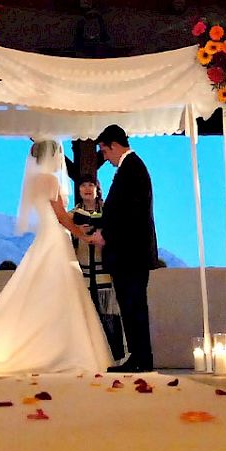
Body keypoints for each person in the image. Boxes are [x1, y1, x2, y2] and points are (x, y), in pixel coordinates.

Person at [0, 140, 110, 374]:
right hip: (55, 238)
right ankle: (64, 348)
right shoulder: (50, 180)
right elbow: (61, 216)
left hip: (43, 237)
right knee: (62, 290)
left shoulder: (34, 181)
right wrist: (84, 235)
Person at [89, 125, 158, 372]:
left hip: (130, 254)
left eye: (105, 152)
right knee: (131, 306)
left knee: (133, 306)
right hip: (131, 253)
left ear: (115, 146)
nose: (105, 158)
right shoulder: (132, 168)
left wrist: (106, 236)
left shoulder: (132, 169)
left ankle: (140, 358)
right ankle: (139, 356)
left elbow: (131, 215)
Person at [70, 175, 125, 361]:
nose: (87, 188)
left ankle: (114, 356)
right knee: (86, 316)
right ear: (78, 190)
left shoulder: (108, 211)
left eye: (91, 184)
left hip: (105, 271)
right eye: (83, 185)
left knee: (109, 315)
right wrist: (79, 233)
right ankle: (89, 357)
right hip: (82, 271)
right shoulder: (72, 215)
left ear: (97, 188)